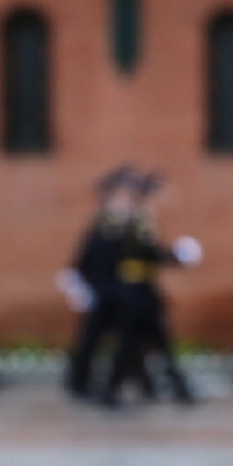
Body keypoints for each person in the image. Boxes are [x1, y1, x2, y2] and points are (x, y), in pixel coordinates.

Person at [101, 172, 201, 409]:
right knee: (131, 342)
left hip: (143, 288)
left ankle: (177, 387)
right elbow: (146, 251)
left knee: (157, 340)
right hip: (134, 290)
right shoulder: (138, 217)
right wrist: (174, 257)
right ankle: (112, 389)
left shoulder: (140, 217)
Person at [61, 166, 157, 400]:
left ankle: (106, 385)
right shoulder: (107, 219)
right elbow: (92, 256)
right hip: (106, 289)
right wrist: (84, 283)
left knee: (119, 339)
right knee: (96, 338)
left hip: (116, 289)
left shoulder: (123, 218)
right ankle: (83, 383)